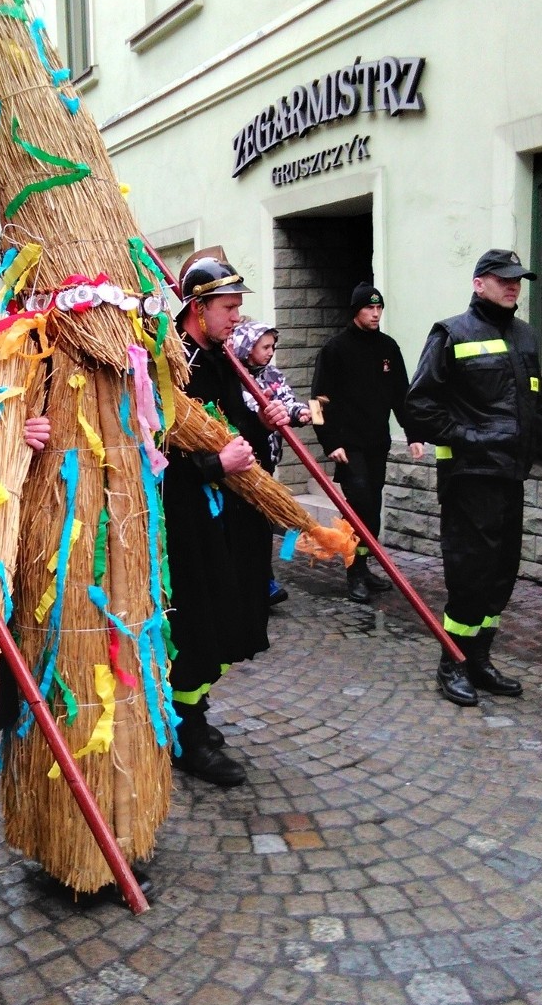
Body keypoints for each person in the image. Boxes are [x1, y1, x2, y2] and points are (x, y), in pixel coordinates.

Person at [405, 249, 542, 706]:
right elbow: (419, 405)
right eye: (502, 278)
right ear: (479, 283)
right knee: (470, 574)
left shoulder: (524, 336)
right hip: (469, 476)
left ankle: (479, 659)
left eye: (517, 279)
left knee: (501, 575)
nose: (513, 286)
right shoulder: (451, 333)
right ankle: (452, 662)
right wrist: (470, 438)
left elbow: (539, 405)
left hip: (509, 476)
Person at [163, 250, 291, 786]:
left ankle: (194, 713)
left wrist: (263, 422)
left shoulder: (218, 359)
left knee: (231, 612)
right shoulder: (170, 365)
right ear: (198, 307)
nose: (237, 317)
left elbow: (238, 435)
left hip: (233, 517)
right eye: (229, 307)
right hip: (194, 522)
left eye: (238, 307)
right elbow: (155, 451)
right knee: (199, 621)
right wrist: (214, 464)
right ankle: (186, 734)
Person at [312, 282, 424, 603]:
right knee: (359, 505)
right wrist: (329, 441)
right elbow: (316, 402)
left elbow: (402, 396)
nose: (375, 314)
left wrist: (413, 434)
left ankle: (362, 564)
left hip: (377, 444)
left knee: (371, 512)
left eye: (379, 308)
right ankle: (354, 572)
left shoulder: (388, 347)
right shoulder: (335, 350)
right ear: (356, 310)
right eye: (368, 308)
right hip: (348, 447)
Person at [229, 317, 312, 607]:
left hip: (266, 462)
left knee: (263, 524)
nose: (269, 352)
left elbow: (285, 401)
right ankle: (252, 583)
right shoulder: (232, 376)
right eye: (264, 346)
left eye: (272, 346)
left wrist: (299, 412)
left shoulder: (271, 375)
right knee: (245, 527)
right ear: (247, 346)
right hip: (237, 464)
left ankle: (265, 581)